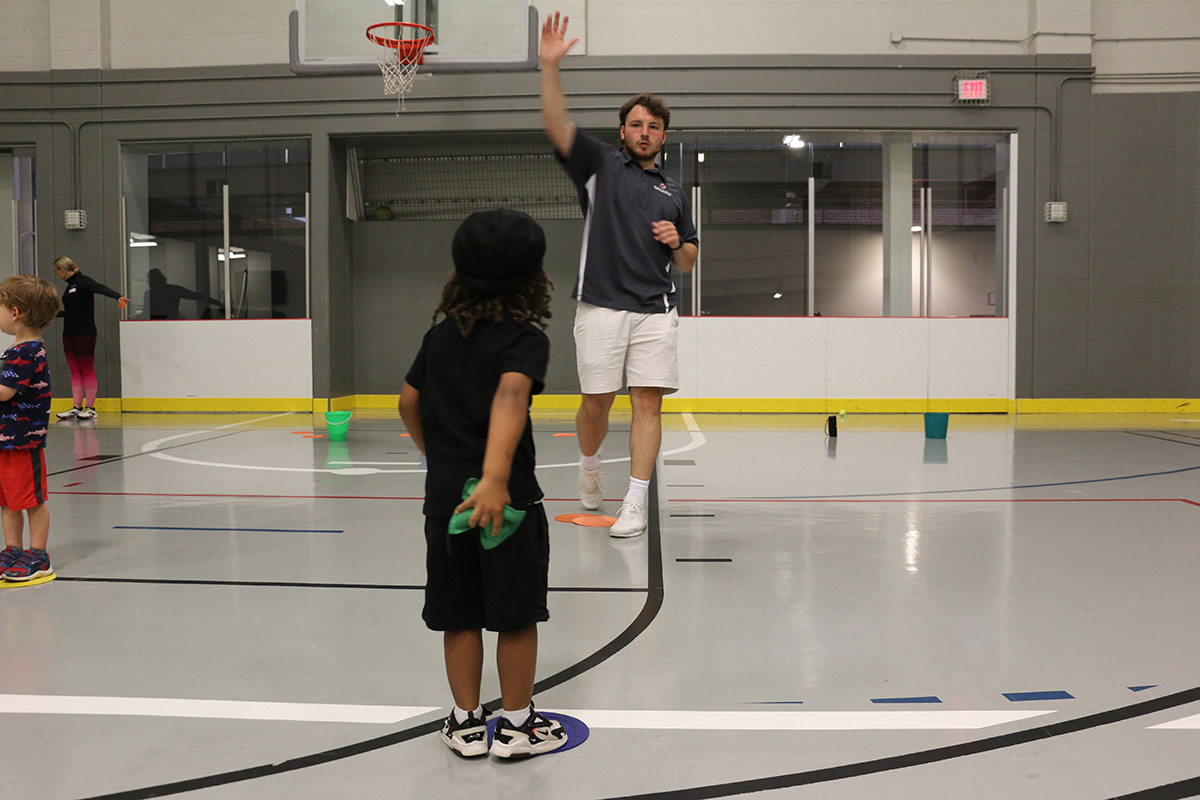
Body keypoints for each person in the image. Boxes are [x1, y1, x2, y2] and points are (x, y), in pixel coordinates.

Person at [398, 208, 567, 759]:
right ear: (533, 278)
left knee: (460, 613)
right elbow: (511, 395)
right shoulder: (524, 339)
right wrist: (495, 477)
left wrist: (442, 459)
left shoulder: (440, 337)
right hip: (507, 505)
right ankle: (517, 725)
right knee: (515, 616)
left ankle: (467, 723)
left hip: (448, 502)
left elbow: (408, 401)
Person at [540, 11, 700, 538]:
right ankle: (589, 467)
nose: (645, 132)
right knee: (597, 401)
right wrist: (549, 66)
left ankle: (634, 502)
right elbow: (557, 126)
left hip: (656, 308)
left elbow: (689, 260)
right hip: (602, 306)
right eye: (637, 124)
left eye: (654, 126)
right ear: (623, 131)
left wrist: (680, 244)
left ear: (664, 136)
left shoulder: (675, 193)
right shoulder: (600, 168)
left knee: (647, 401)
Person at [0, 275, 59, 582]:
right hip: (6, 439)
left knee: (31, 500)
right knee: (8, 500)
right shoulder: (18, 349)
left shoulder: (25, 352)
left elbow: (5, 392)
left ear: (15, 312)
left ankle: (38, 556)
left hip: (22, 441)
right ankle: (13, 551)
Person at [52, 256, 129, 421]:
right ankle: (76, 407)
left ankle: (91, 408)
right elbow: (72, 312)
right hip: (69, 333)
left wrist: (118, 296)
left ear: (62, 270)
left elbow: (99, 287)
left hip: (85, 333)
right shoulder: (70, 287)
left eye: (56, 271)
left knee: (86, 369)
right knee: (75, 371)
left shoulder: (83, 281)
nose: (56, 274)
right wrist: (52, 314)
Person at [143, 268, 222, 320]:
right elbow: (198, 296)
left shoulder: (149, 293)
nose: (147, 282)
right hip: (173, 322)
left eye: (148, 279)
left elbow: (146, 313)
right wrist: (219, 304)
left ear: (152, 280)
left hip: (155, 325)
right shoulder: (174, 290)